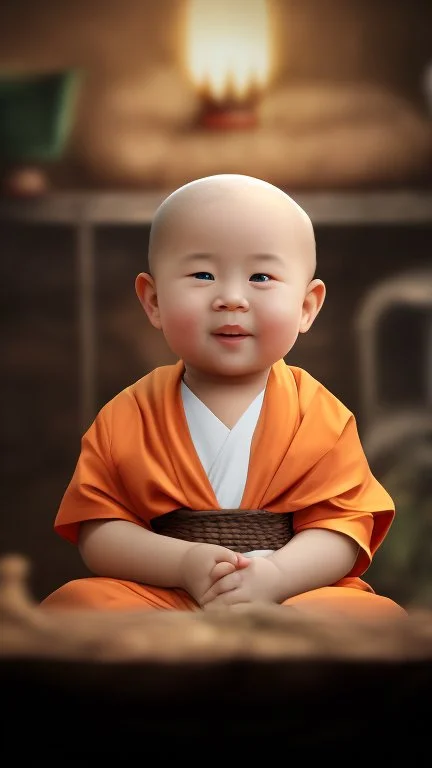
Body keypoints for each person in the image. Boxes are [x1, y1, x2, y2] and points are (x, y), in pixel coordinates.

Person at [41, 173, 406, 620]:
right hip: (165, 591)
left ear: (306, 306)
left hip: (287, 591)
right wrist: (183, 564)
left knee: (374, 618)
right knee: (76, 607)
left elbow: (342, 529)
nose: (231, 299)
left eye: (261, 276)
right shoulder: (129, 412)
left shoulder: (318, 413)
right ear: (152, 300)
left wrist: (274, 578)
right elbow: (99, 531)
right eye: (203, 274)